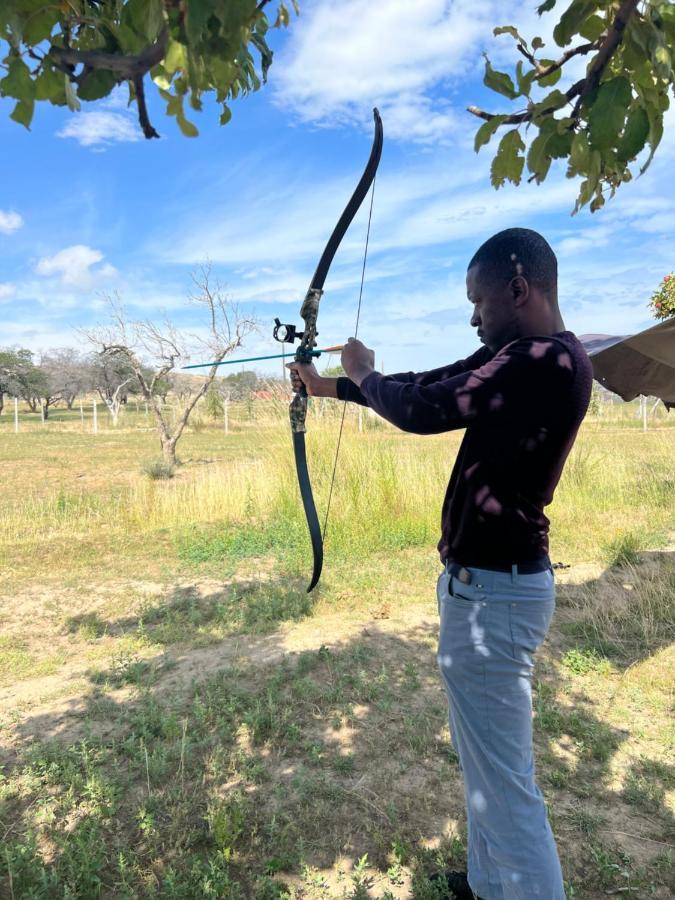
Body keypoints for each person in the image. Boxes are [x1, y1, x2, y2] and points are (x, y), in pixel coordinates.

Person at [289, 227, 593, 899]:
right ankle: (489, 884)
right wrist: (329, 386)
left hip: (495, 598)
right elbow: (432, 382)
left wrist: (363, 371)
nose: (472, 315)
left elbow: (423, 410)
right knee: (485, 767)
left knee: (506, 786)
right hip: (483, 592)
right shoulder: (522, 355)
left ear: (518, 288)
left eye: (477, 301)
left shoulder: (543, 360)